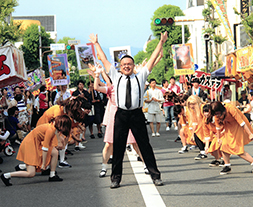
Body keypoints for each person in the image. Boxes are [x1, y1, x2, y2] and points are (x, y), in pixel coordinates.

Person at [89, 31, 167, 188]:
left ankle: (155, 175)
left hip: (137, 114)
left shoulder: (141, 76)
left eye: (129, 64)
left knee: (145, 146)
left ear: (133, 66)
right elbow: (104, 59)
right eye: (123, 64)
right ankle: (115, 178)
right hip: (121, 115)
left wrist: (161, 43)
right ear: (120, 66)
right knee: (118, 147)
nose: (126, 66)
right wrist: (96, 43)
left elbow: (152, 59)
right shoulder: (115, 76)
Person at [0, 115, 72, 186]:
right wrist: (43, 164)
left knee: (54, 152)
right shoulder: (51, 130)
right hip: (30, 144)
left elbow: (51, 146)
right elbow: (45, 148)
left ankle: (52, 175)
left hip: (33, 143)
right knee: (31, 173)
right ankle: (7, 175)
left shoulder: (53, 127)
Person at [208, 101, 253, 175]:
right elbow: (218, 128)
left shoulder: (230, 108)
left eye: (218, 113)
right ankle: (227, 166)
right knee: (224, 145)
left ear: (222, 110)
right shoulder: (216, 115)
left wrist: (250, 134)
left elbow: (241, 122)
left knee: (237, 149)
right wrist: (218, 138)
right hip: (229, 126)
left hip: (238, 125)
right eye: (216, 114)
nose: (217, 115)